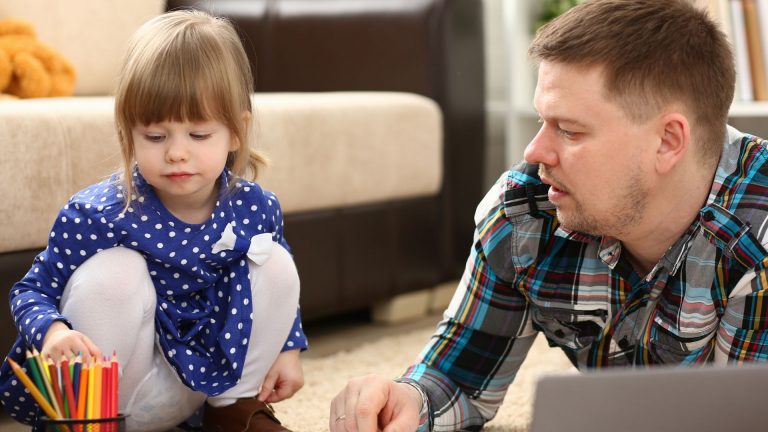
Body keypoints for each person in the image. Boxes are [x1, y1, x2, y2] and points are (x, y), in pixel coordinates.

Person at [330, 0, 768, 430]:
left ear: (668, 141)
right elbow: (456, 379)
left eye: (569, 130)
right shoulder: (524, 213)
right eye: (541, 121)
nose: (534, 151)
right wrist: (402, 402)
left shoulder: (759, 232)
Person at [0, 10, 306, 432]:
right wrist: (53, 333)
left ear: (236, 132)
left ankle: (233, 414)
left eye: (198, 135)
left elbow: (280, 290)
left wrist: (289, 348)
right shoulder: (98, 212)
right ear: (130, 134)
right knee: (115, 270)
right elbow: (32, 290)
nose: (176, 153)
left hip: (208, 387)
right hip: (125, 392)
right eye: (156, 137)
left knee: (273, 261)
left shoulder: (254, 207)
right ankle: (97, 424)